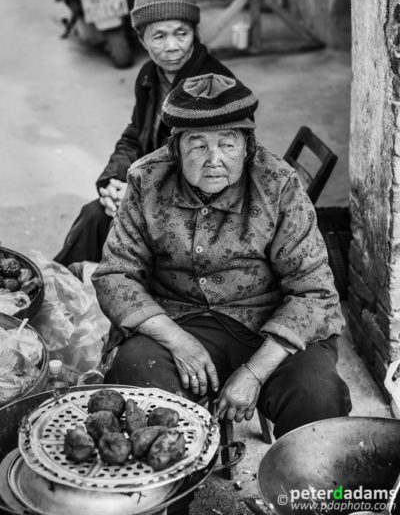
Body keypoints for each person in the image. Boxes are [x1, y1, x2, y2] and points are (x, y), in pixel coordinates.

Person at [92, 73, 352, 440]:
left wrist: (255, 372)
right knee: (138, 376)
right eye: (197, 146)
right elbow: (115, 274)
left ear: (247, 146)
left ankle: (302, 494)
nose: (213, 160)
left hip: (267, 321)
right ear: (175, 148)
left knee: (318, 393)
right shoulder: (145, 180)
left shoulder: (278, 185)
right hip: (178, 316)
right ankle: (170, 492)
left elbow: (315, 292)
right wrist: (175, 339)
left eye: (227, 145)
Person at [54, 0, 234, 267]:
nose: (172, 47)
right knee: (94, 216)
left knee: (119, 232)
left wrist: (137, 195)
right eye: (159, 36)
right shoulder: (149, 76)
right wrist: (113, 181)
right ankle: (51, 296)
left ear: (194, 33)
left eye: (181, 33)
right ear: (141, 39)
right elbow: (134, 136)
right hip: (155, 195)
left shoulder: (215, 88)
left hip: (203, 212)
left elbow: (212, 174)